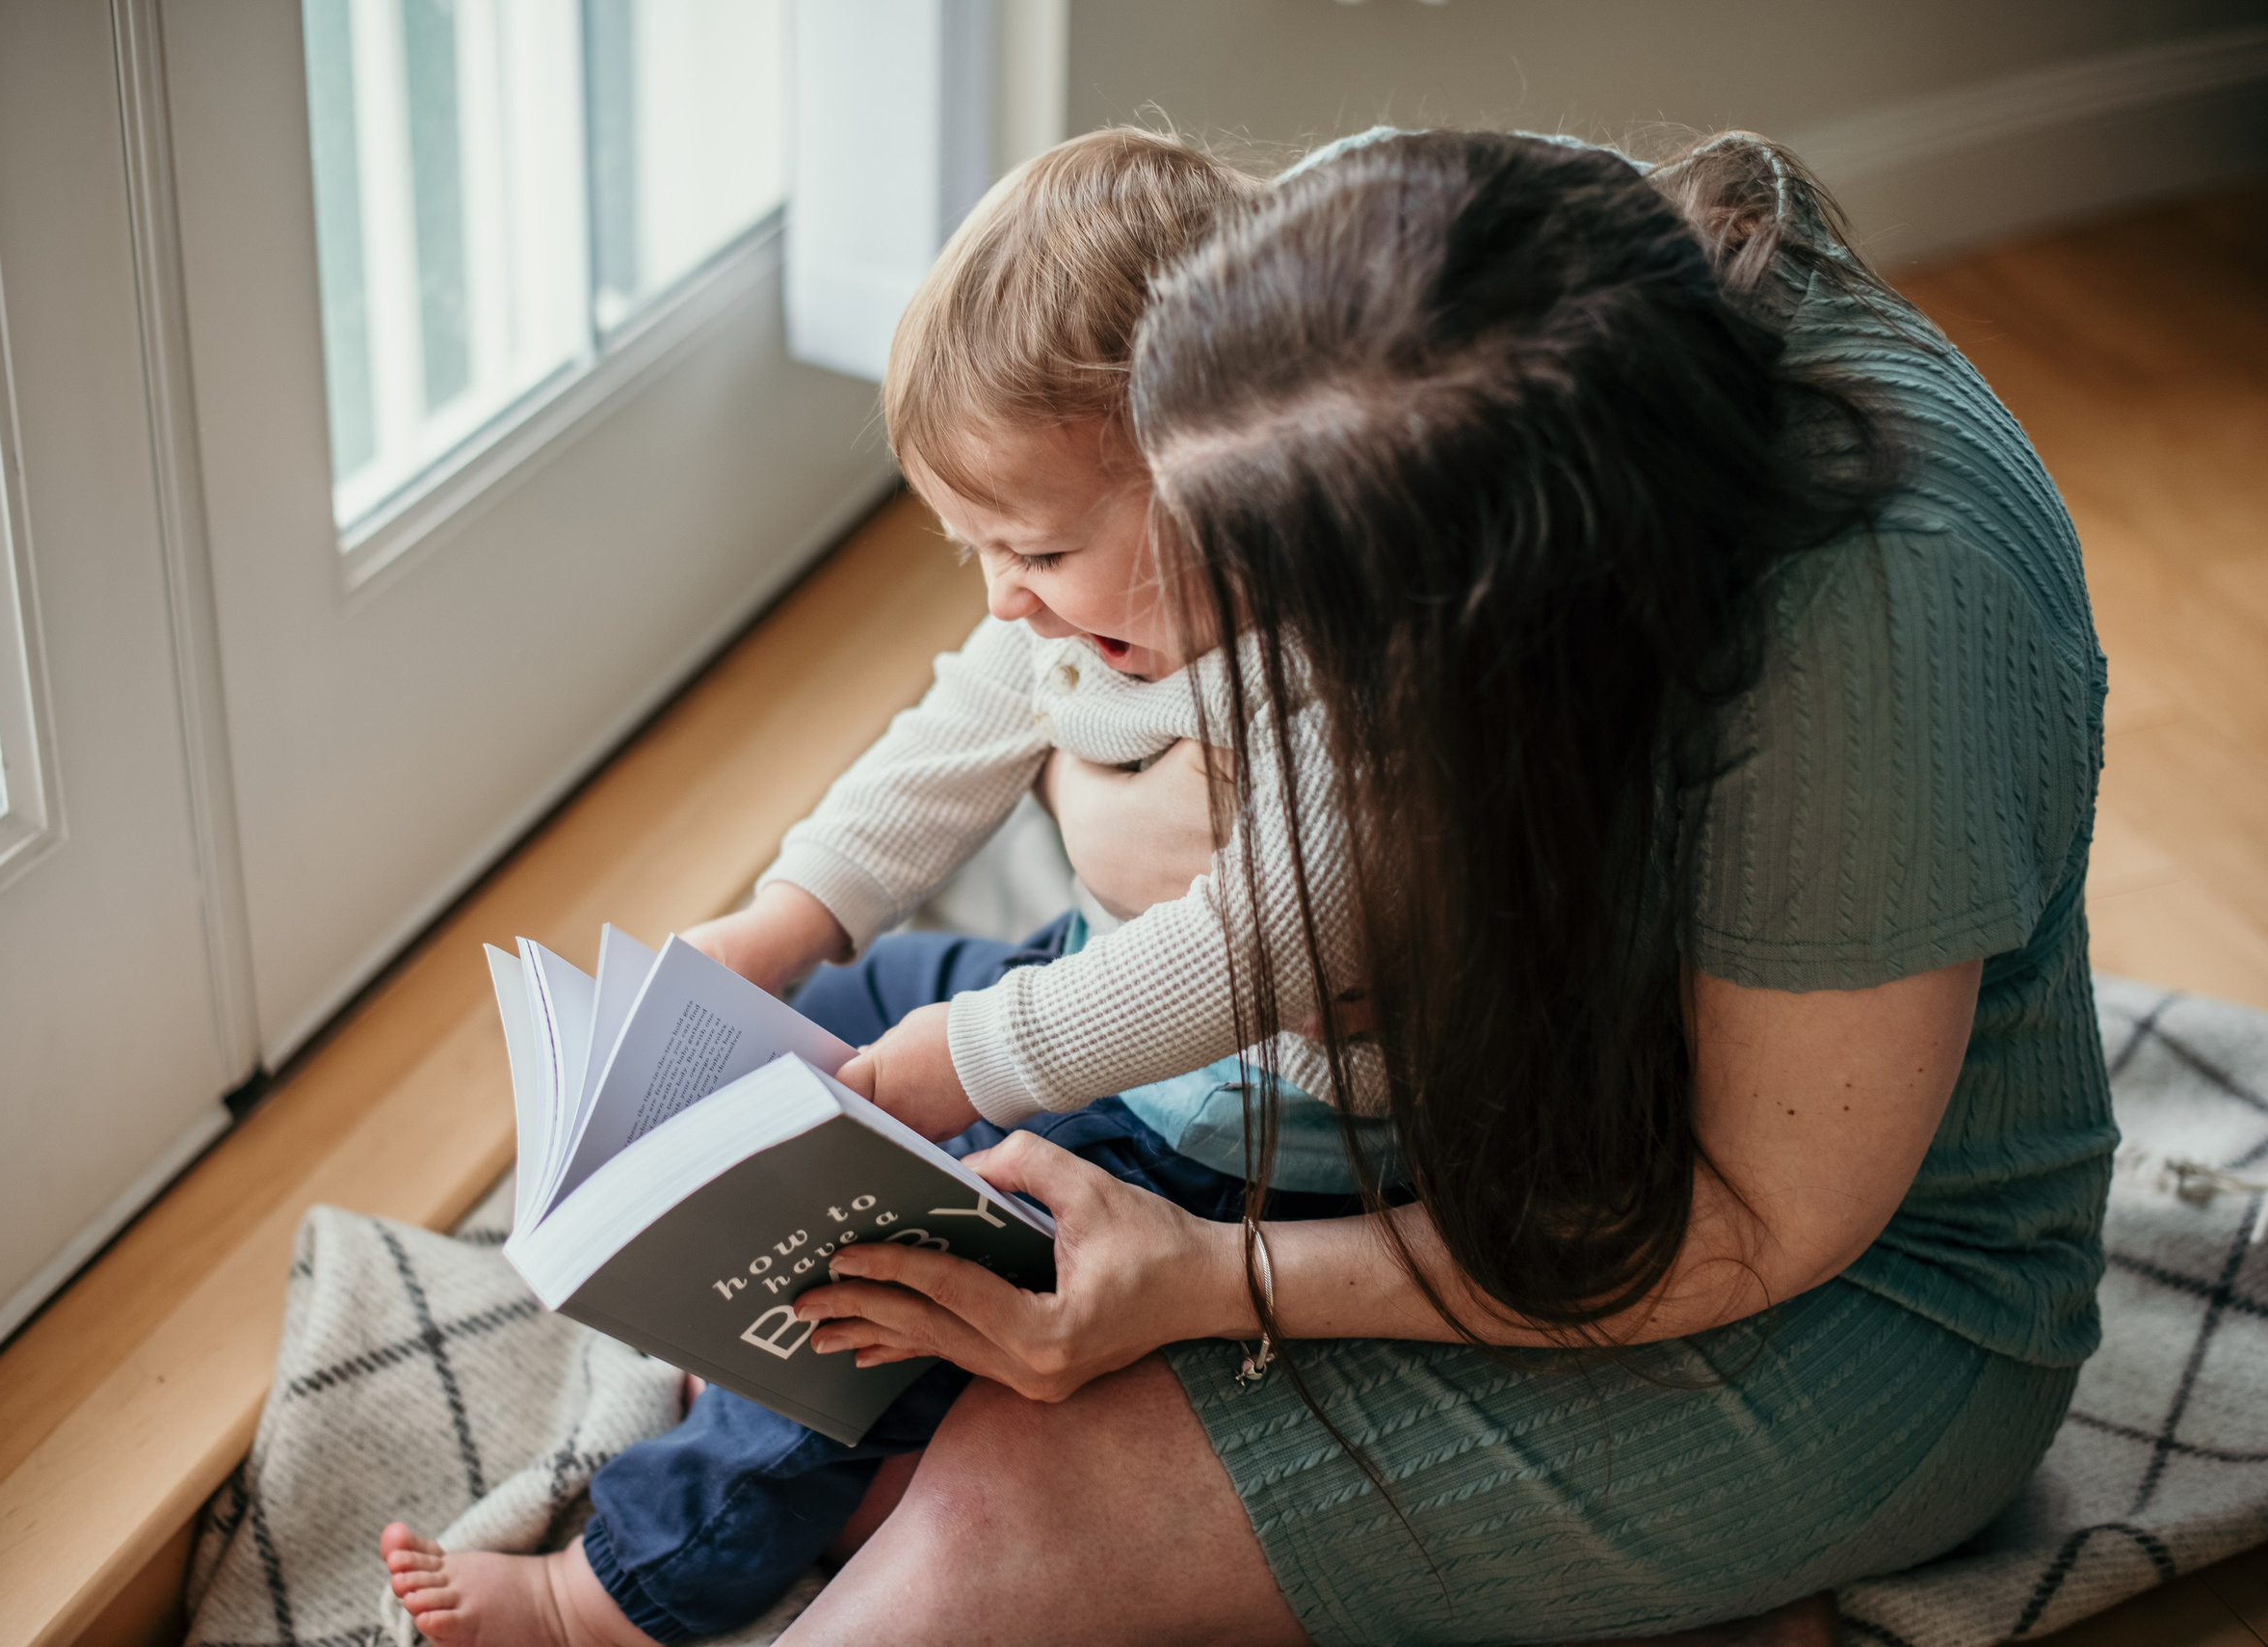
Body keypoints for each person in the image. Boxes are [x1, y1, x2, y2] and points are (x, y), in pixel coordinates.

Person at [402, 126, 2115, 1644]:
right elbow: (1085, 739)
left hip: (1830, 1283)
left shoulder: (1872, 634)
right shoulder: (1365, 284)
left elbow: (1738, 1210)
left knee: (1010, 1465)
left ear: (1505, 627)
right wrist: (972, 872)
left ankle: (671, 1565)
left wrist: (1212, 1274)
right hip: (1449, 1097)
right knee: (883, 1173)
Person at [380, 124, 1405, 1646]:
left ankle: (613, 1587)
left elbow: (1248, 952)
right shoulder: (1093, 610)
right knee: (848, 1005)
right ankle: (784, 1351)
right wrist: (787, 922)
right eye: (974, 546)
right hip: (1088, 979)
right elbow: (950, 743)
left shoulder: (1347, 671)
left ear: (1243, 468)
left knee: (890, 1272)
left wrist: (975, 1062)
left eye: (1040, 545)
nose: (1007, 594)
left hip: (1255, 1128)